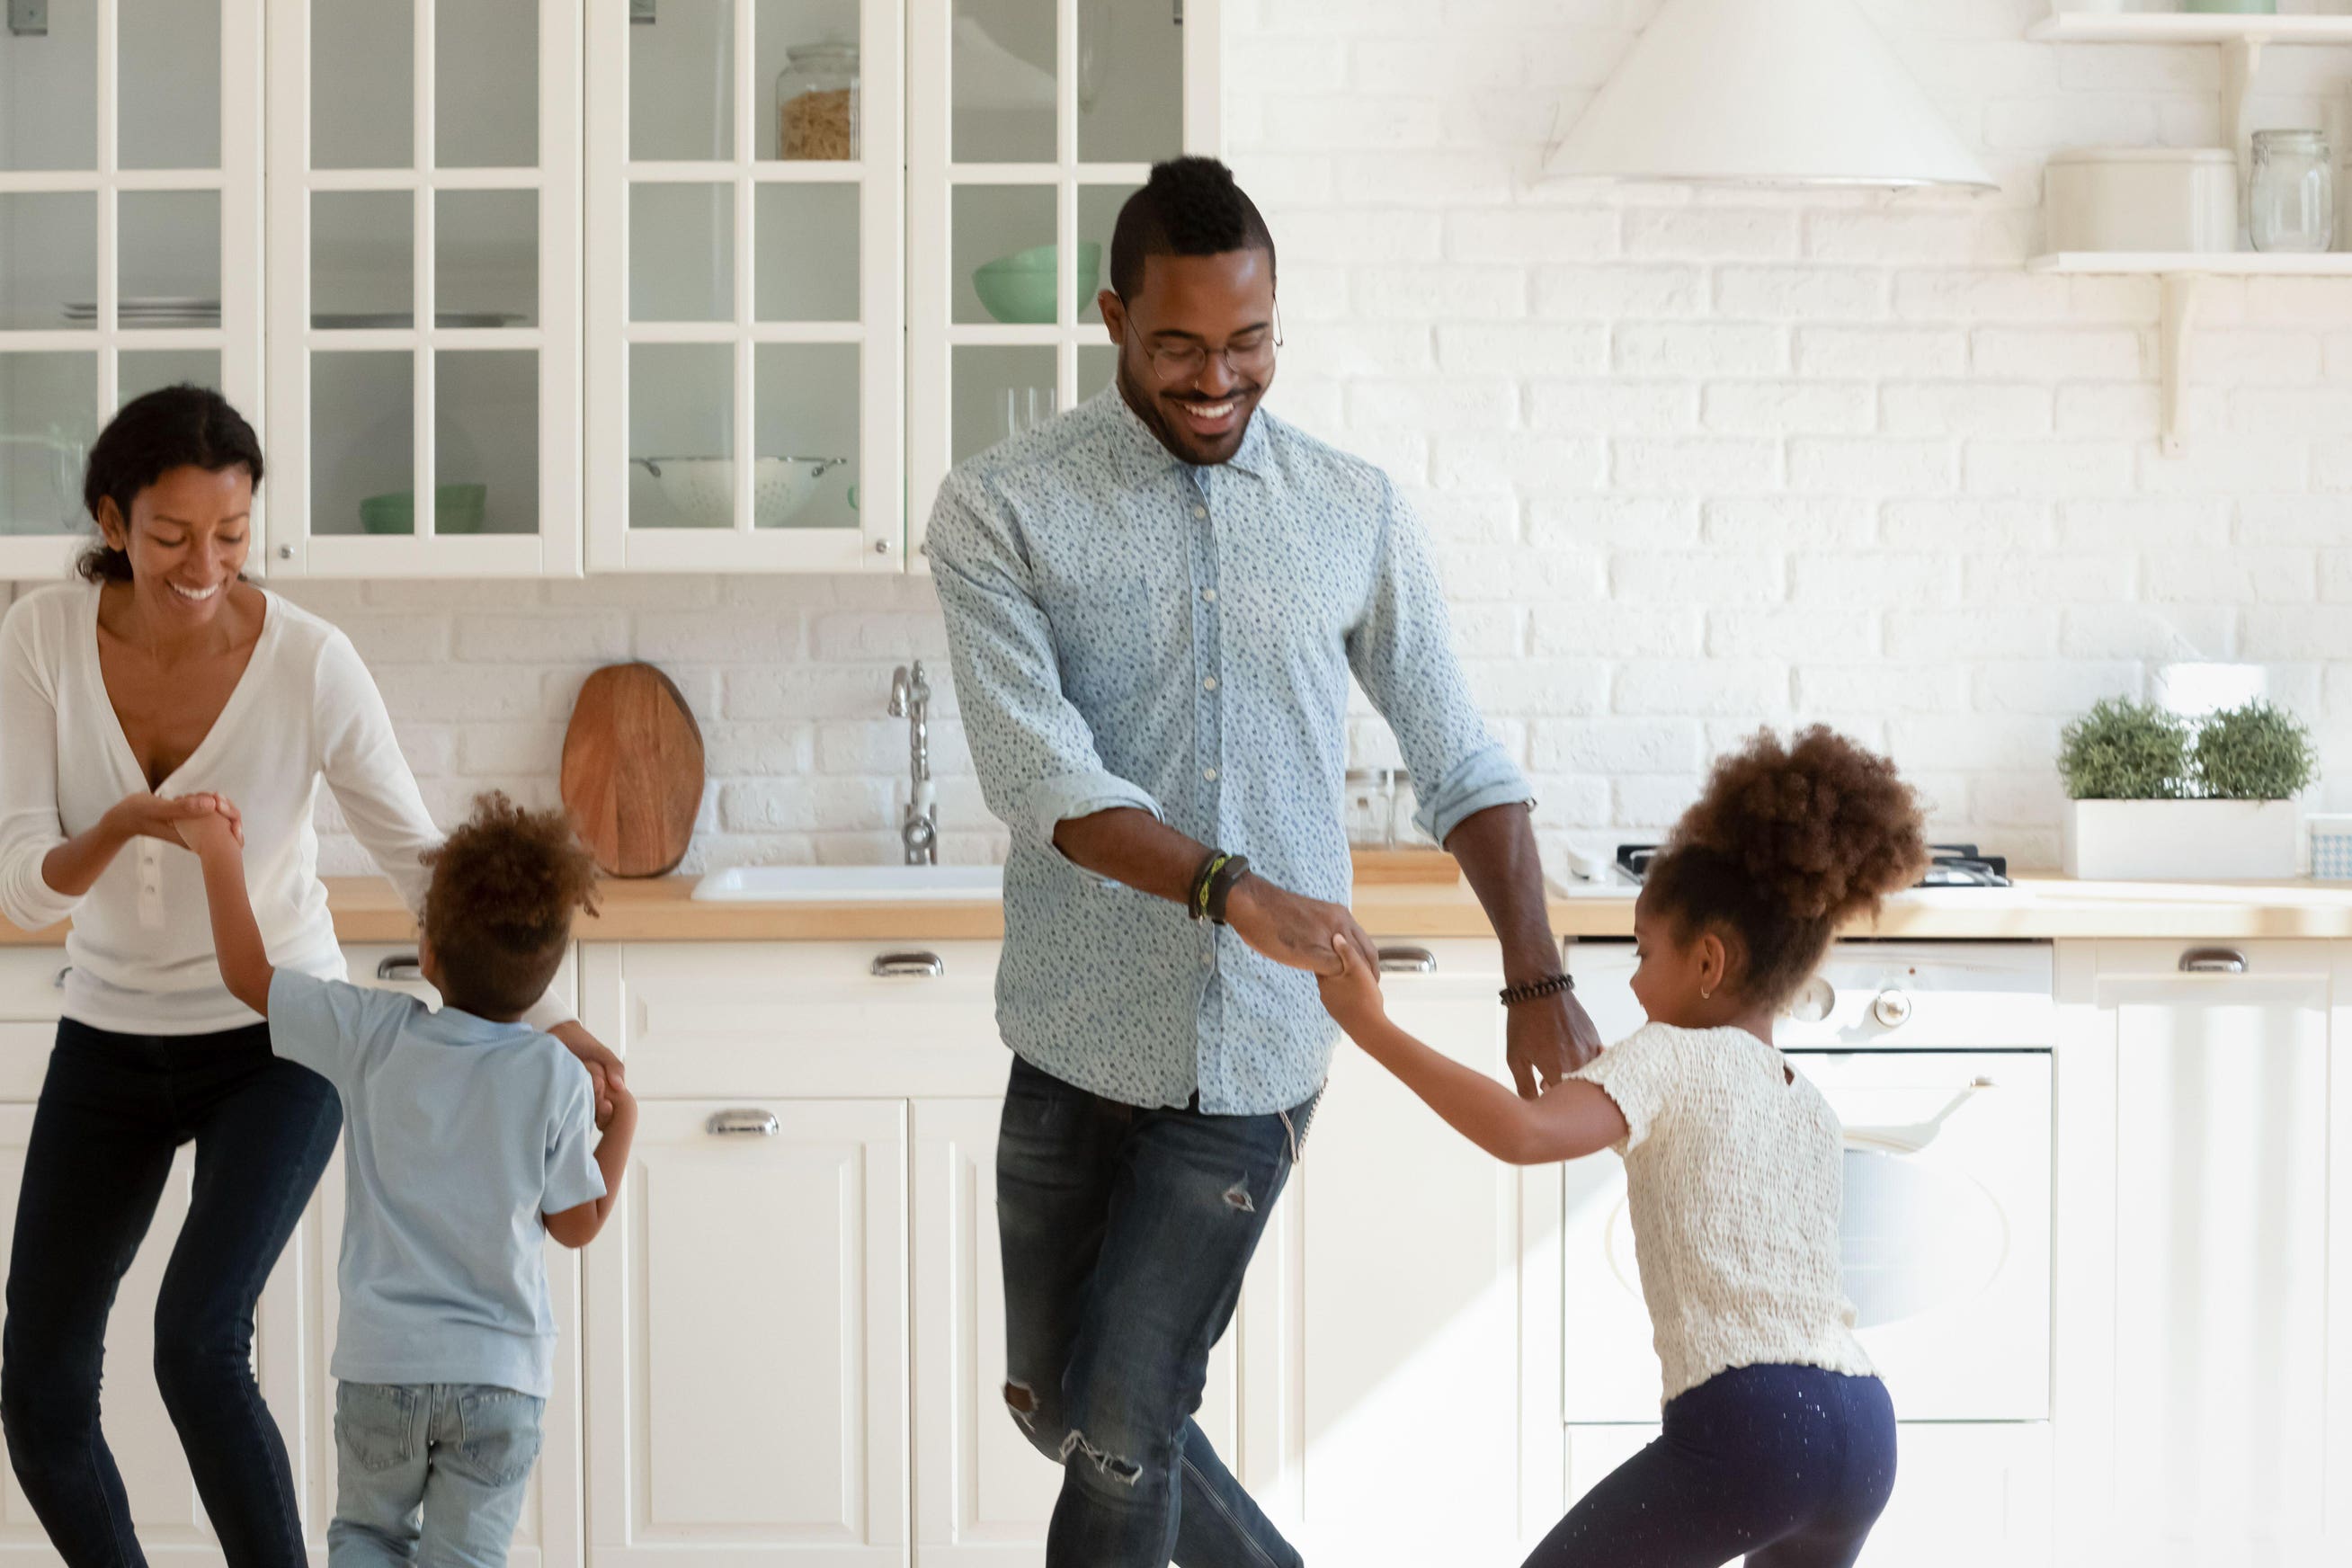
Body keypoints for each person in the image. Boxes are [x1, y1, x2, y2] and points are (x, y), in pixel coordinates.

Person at [924, 156, 1601, 1568]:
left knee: (1123, 1428)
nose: (1219, 380)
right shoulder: (1003, 508)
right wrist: (1232, 890)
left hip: (1258, 1063)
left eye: (1250, 344)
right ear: (1112, 318)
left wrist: (1535, 973)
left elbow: (1459, 752)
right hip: (1070, 1036)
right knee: (1068, 1410)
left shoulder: (1350, 509)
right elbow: (1042, 775)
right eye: (1179, 347)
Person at [0, 385, 623, 1566]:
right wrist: (128, 822)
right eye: (174, 536)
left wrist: (555, 1018)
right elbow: (27, 887)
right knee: (35, 1389)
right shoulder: (38, 639)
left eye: (231, 536)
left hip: (274, 1042)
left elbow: (419, 858)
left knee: (195, 1340)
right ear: (112, 519)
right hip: (108, 1034)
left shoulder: (308, 662)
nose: (204, 566)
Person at [1319, 727, 1920, 1568]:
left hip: (1755, 1425)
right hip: (1864, 1426)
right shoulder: (1805, 1104)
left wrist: (1369, 1025)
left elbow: (1525, 1133)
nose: (1635, 983)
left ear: (1708, 961)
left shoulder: (1670, 1055)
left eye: (1645, 954)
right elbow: (1701, 1163)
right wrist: (1597, 1068)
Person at [174, 790, 635, 1564]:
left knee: (366, 1538)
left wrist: (219, 855)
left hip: (382, 1369)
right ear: (551, 967)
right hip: (500, 1380)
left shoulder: (373, 1035)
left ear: (428, 952)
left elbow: (249, 974)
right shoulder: (555, 1074)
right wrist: (621, 1123)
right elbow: (577, 1225)